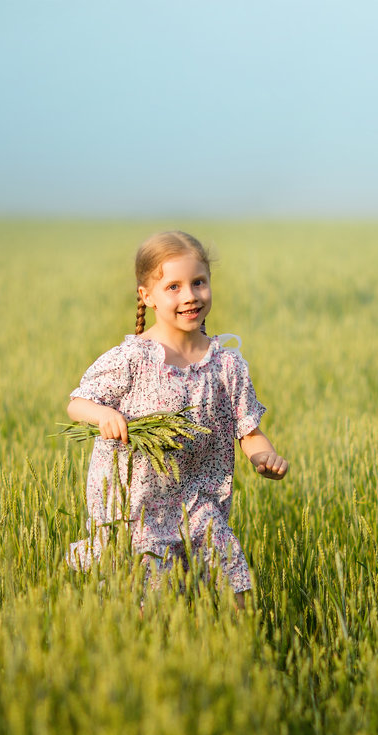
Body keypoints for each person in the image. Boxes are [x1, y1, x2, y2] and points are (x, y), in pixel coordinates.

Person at [65, 231, 288, 610]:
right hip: (138, 509)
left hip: (199, 502)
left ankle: (239, 648)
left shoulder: (226, 364)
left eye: (198, 283)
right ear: (146, 296)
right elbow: (78, 403)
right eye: (173, 286)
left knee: (236, 586)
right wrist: (104, 414)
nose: (190, 296)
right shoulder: (132, 359)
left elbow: (248, 431)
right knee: (150, 604)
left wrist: (263, 457)